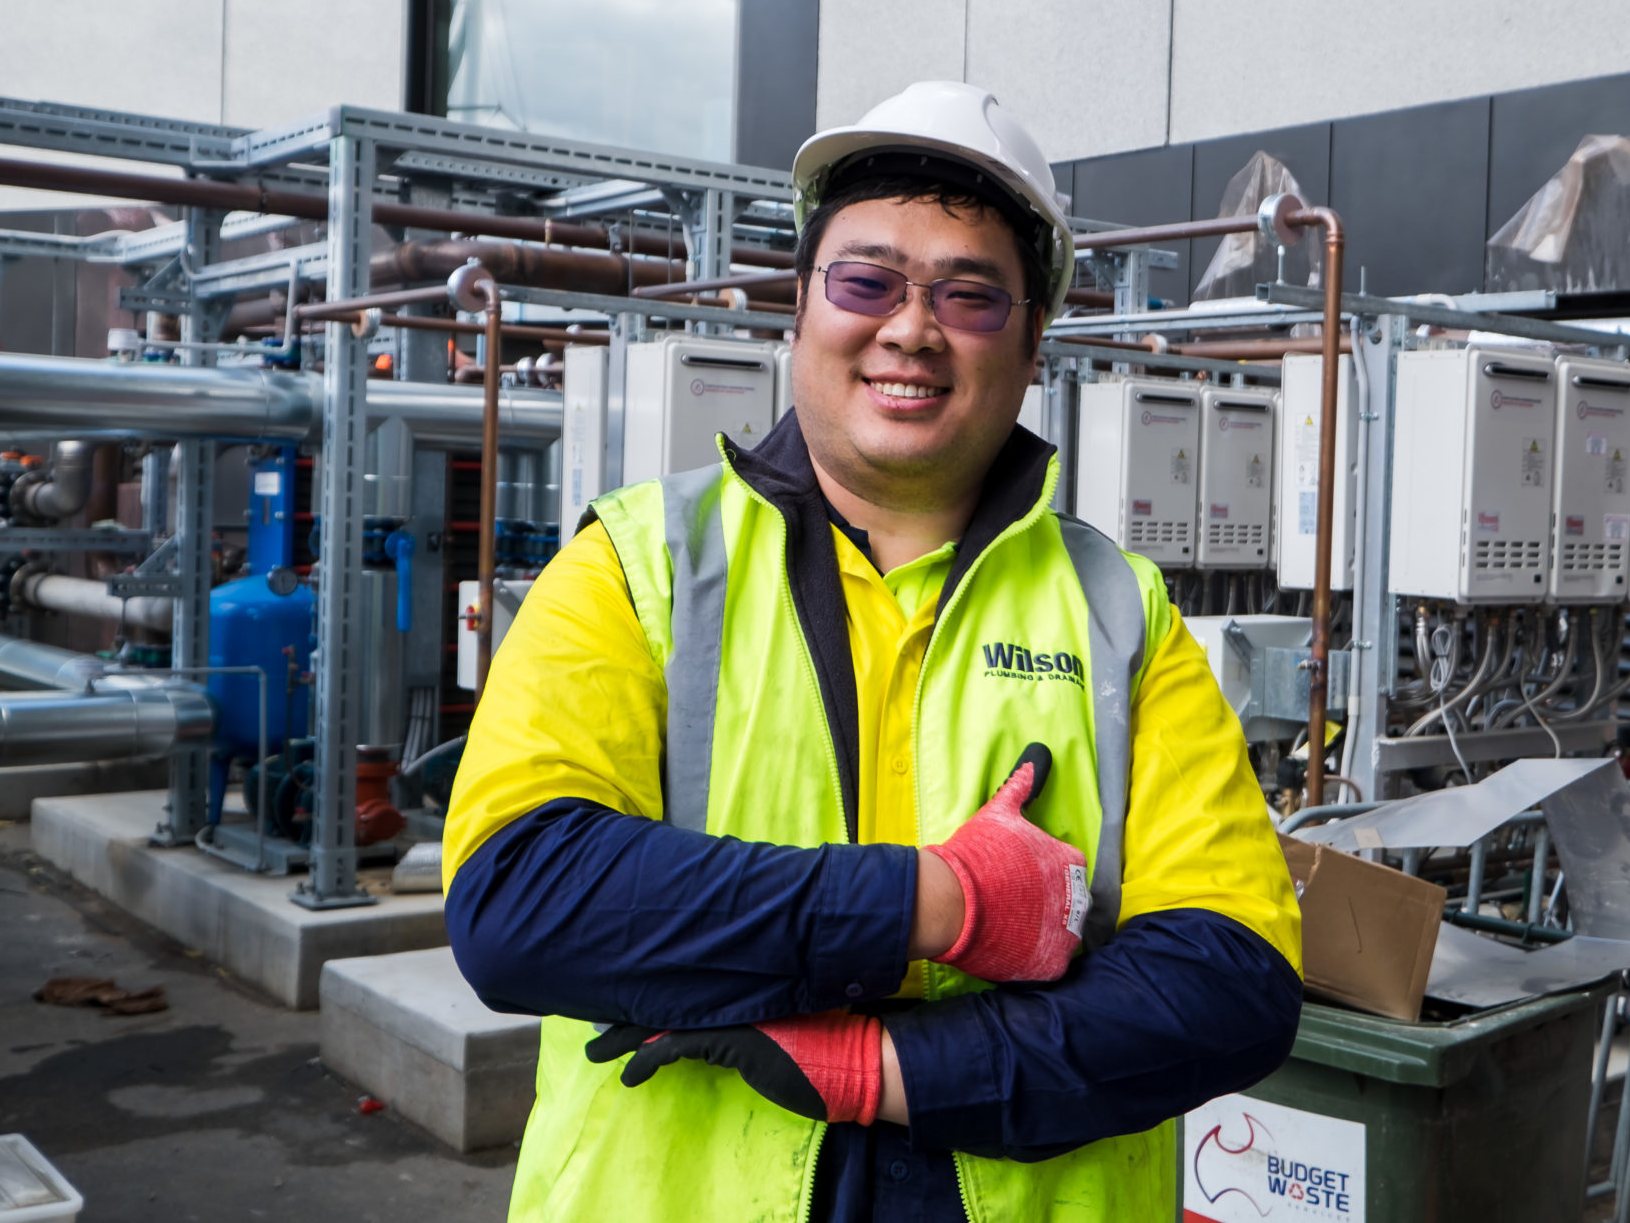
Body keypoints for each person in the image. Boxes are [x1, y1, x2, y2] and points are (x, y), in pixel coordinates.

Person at [442, 80, 1303, 1222]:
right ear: (800, 305)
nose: (910, 327)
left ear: (1033, 339)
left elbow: (1228, 983)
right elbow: (521, 902)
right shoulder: (637, 568)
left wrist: (878, 1072)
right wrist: (936, 903)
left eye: (971, 295)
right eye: (867, 281)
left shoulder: (1116, 611)